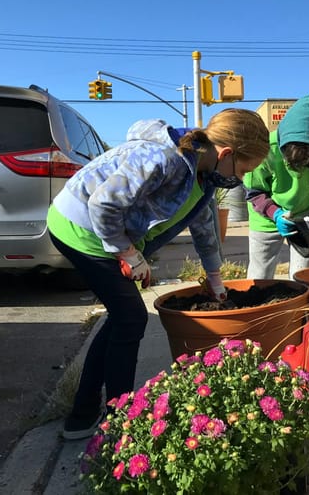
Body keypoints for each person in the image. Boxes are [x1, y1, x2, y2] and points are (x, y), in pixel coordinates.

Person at [47, 108, 269, 440]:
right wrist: (129, 253)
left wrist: (215, 278)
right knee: (132, 319)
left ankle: (83, 413)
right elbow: (103, 205)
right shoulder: (163, 159)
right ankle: (120, 420)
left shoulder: (203, 176)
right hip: (80, 228)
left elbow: (204, 226)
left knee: (121, 320)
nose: (240, 179)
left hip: (107, 234)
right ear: (225, 154)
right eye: (243, 169)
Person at [244, 95, 309, 280]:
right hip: (266, 217)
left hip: (308, 218)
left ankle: (301, 308)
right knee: (260, 276)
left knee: (303, 275)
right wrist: (275, 214)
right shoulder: (266, 149)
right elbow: (255, 192)